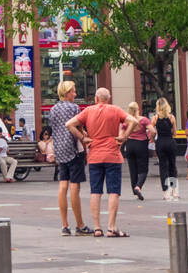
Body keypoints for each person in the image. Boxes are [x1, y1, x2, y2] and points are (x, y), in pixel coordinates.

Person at [66, 86, 137, 238]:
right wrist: (124, 136)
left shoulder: (88, 111)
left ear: (96, 99)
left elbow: (69, 124)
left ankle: (97, 228)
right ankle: (111, 227)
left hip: (95, 155)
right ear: (108, 99)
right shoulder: (115, 109)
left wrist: (82, 137)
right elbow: (133, 121)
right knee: (113, 192)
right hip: (113, 154)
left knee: (95, 191)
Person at [48, 80, 92, 237]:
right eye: (73, 91)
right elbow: (79, 128)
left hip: (60, 150)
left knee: (63, 186)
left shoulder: (53, 109)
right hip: (74, 150)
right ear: (66, 93)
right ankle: (80, 225)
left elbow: (53, 129)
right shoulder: (74, 108)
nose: (75, 94)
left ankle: (65, 225)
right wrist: (84, 141)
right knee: (75, 187)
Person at [124, 102, 153, 201]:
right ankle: (138, 186)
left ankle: (134, 189)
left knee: (133, 169)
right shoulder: (143, 120)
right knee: (143, 168)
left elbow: (123, 133)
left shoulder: (126, 121)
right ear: (138, 109)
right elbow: (153, 131)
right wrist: (150, 139)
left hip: (129, 144)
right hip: (141, 144)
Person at [154, 97, 179, 200]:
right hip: (170, 142)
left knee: (163, 167)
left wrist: (151, 139)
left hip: (160, 143)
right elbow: (175, 133)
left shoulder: (155, 118)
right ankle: (174, 191)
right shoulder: (172, 117)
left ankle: (165, 192)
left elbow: (152, 132)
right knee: (172, 166)